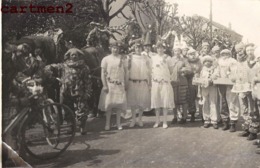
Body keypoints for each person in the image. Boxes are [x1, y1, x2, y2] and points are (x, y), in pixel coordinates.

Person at [45, 48, 92, 135]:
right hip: (66, 90)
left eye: (76, 55)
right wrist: (52, 78)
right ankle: (71, 126)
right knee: (67, 108)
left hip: (79, 90)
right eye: (72, 55)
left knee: (81, 108)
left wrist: (87, 92)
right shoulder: (63, 66)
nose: (74, 56)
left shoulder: (84, 67)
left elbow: (87, 81)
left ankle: (82, 127)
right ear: (69, 56)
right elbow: (48, 68)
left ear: (79, 56)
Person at [98, 41, 128, 130]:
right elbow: (103, 73)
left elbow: (126, 73)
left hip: (119, 85)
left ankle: (119, 124)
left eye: (117, 48)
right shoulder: (106, 59)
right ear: (111, 48)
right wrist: (104, 85)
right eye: (114, 48)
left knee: (119, 105)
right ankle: (107, 124)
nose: (115, 50)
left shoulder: (123, 59)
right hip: (109, 84)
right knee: (109, 105)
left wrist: (126, 83)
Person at [230, 43, 256, 140]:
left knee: (251, 110)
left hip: (249, 88)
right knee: (243, 109)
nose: (239, 52)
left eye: (241, 50)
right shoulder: (236, 61)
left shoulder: (250, 60)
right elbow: (234, 74)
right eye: (237, 51)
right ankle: (246, 129)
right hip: (240, 88)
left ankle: (253, 131)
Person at [127, 39, 151, 127]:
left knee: (142, 102)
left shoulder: (145, 58)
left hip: (142, 82)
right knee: (133, 102)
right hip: (133, 82)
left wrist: (149, 83)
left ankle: (140, 119)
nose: (138, 49)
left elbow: (149, 71)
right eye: (136, 47)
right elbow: (127, 69)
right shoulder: (130, 57)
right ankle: (133, 119)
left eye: (140, 47)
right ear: (134, 48)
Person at [151, 41, 175, 128]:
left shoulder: (168, 58)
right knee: (156, 102)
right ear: (156, 49)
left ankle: (165, 121)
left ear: (164, 49)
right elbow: (151, 69)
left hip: (165, 82)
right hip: (156, 82)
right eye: (158, 48)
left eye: (161, 47)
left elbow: (171, 70)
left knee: (165, 102)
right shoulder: (153, 58)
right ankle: (157, 121)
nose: (160, 49)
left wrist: (165, 77)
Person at [217, 49, 240, 132]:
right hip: (221, 84)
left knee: (232, 102)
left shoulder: (233, 61)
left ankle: (232, 122)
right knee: (223, 102)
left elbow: (235, 72)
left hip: (230, 84)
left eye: (227, 53)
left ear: (229, 54)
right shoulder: (219, 61)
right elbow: (217, 71)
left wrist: (230, 75)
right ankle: (225, 121)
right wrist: (215, 75)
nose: (225, 55)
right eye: (223, 53)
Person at [171, 43, 191, 124]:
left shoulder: (184, 60)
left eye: (179, 50)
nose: (177, 52)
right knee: (174, 100)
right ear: (173, 51)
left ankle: (185, 117)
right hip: (173, 82)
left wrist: (184, 70)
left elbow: (189, 69)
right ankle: (175, 117)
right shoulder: (170, 60)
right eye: (176, 51)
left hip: (182, 82)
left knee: (184, 100)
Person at [200, 55, 220, 129]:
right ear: (203, 63)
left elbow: (216, 75)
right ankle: (206, 119)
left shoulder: (214, 69)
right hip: (204, 87)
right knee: (205, 102)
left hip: (212, 87)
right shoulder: (202, 70)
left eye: (209, 61)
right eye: (205, 61)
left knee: (213, 102)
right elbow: (200, 78)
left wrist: (212, 78)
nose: (207, 63)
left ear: (211, 62)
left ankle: (214, 120)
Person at [186, 48, 203, 122]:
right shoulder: (187, 62)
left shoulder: (199, 61)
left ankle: (201, 113)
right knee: (191, 97)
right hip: (190, 81)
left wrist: (199, 74)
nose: (192, 56)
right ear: (188, 55)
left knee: (200, 97)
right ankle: (192, 113)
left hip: (198, 81)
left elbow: (202, 70)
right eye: (190, 54)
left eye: (193, 54)